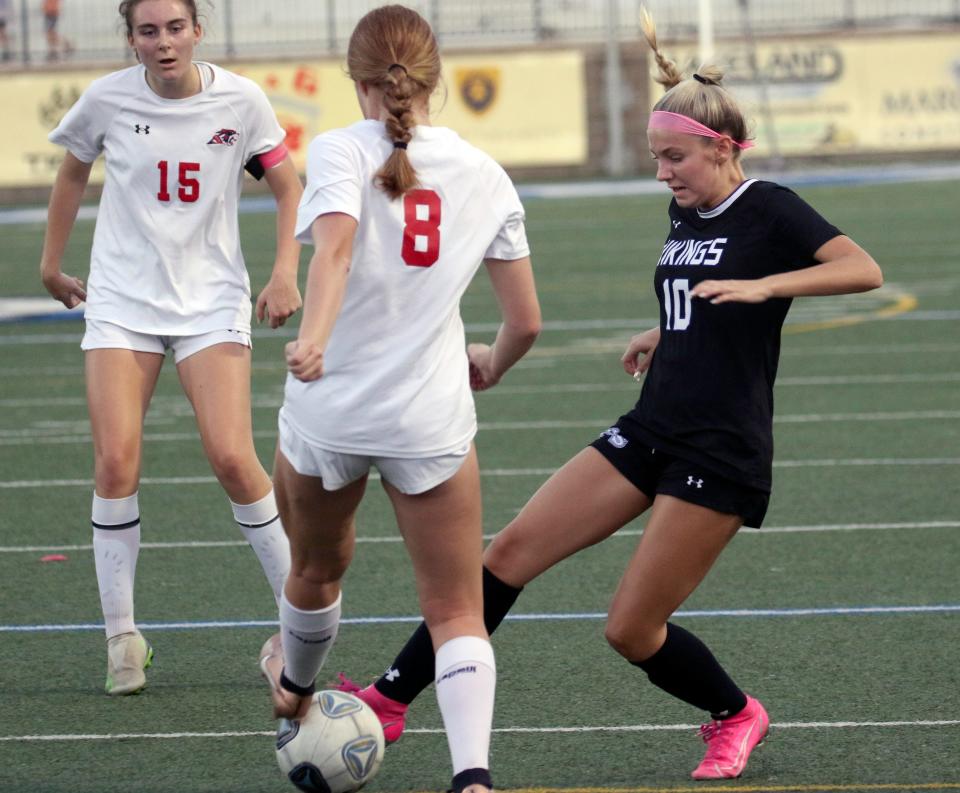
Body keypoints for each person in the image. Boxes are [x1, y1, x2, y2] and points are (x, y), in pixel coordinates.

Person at [334, 6, 883, 783]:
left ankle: (736, 713)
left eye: (676, 158)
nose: (664, 173)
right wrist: (666, 329)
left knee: (630, 627)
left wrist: (767, 286)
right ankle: (392, 697)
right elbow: (697, 289)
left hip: (720, 452)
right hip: (651, 424)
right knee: (506, 555)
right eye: (658, 157)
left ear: (722, 149)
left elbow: (863, 268)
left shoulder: (770, 208)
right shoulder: (684, 209)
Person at [255, 6, 541, 793]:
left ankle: (297, 691)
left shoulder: (341, 148)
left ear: (359, 82)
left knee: (314, 570)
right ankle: (473, 778)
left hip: (332, 406)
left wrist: (314, 339)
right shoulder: (484, 172)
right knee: (456, 610)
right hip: (428, 415)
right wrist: (491, 359)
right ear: (434, 77)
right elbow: (526, 321)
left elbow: (335, 248)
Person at [40, 0, 302, 697]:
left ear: (198, 30)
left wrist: (285, 270)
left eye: (175, 28)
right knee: (116, 457)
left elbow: (287, 184)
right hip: (123, 301)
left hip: (210, 302)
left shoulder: (242, 101)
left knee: (231, 455)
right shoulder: (105, 99)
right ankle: (122, 637)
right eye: (148, 31)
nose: (163, 43)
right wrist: (50, 262)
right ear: (131, 39)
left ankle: (300, 624)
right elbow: (70, 173)